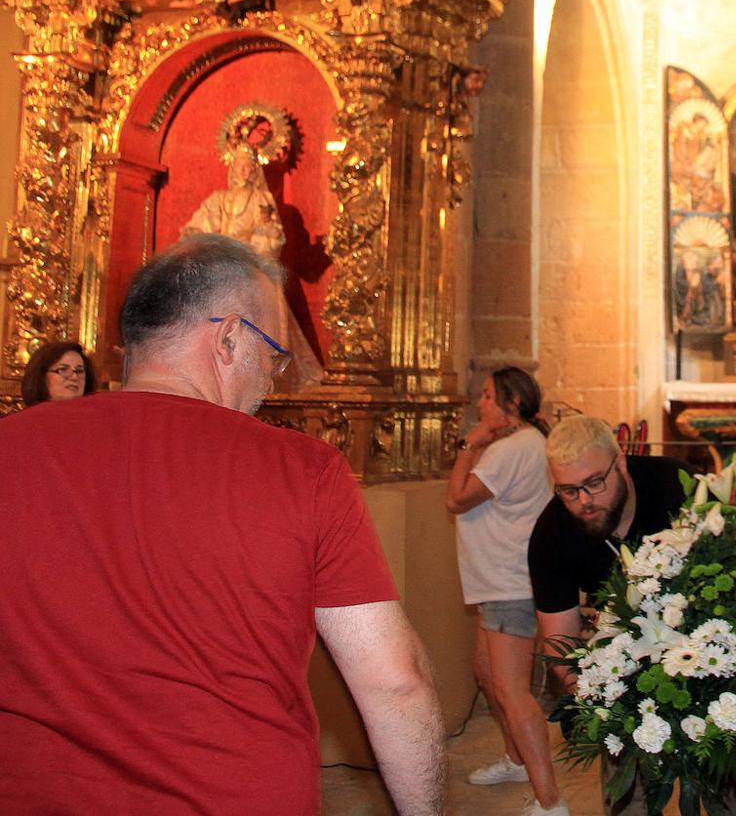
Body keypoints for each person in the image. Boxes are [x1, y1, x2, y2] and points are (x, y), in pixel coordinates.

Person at [0, 233, 445, 814]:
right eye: (272, 354)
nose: (271, 378)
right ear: (230, 338)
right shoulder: (302, 470)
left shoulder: (12, 449)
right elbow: (395, 684)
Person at [527, 416, 691, 815]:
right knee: (625, 798)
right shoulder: (552, 536)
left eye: (594, 483)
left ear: (620, 463)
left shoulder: (676, 487)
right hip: (623, 668)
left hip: (699, 648)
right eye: (568, 490)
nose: (584, 501)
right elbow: (562, 651)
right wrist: (602, 708)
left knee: (728, 781)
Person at [444, 367, 567, 816]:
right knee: (486, 675)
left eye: (489, 396)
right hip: (502, 581)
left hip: (508, 583)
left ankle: (550, 802)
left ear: (511, 404)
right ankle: (517, 759)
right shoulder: (530, 442)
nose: (480, 403)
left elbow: (456, 499)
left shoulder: (510, 448)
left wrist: (469, 443)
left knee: (513, 692)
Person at [181, 143, 322, 388]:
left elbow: (274, 239)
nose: (244, 171)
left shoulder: (262, 200)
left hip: (251, 272)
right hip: (223, 273)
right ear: (233, 168)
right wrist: (208, 244)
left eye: (248, 166)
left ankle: (257, 378)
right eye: (240, 165)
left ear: (255, 170)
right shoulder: (220, 200)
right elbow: (196, 229)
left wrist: (255, 243)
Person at [19, 340, 97, 406]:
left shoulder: (96, 420)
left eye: (79, 371)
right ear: (41, 376)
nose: (74, 377)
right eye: (63, 369)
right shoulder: (21, 422)